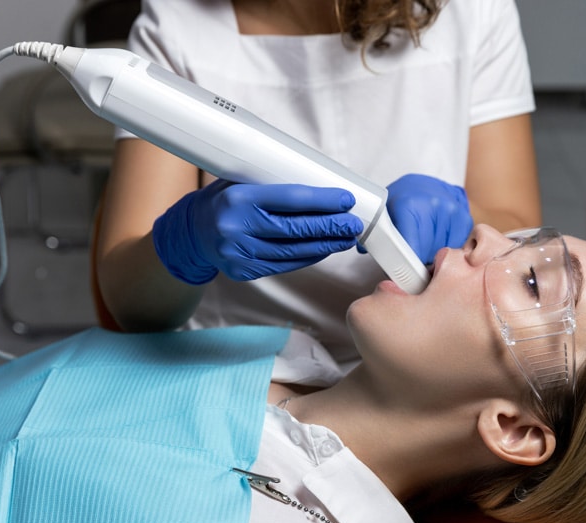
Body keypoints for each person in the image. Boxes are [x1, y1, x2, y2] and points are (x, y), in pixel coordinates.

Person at [0, 225, 586, 523]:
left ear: (513, 428)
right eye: (523, 242)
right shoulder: (284, 353)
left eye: (536, 284)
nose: (485, 235)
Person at [95, 0, 542, 364]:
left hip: (413, 368)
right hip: (242, 370)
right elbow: (130, 304)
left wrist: (463, 220)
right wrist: (187, 242)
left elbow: (519, 228)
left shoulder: (473, 12)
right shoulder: (177, 28)